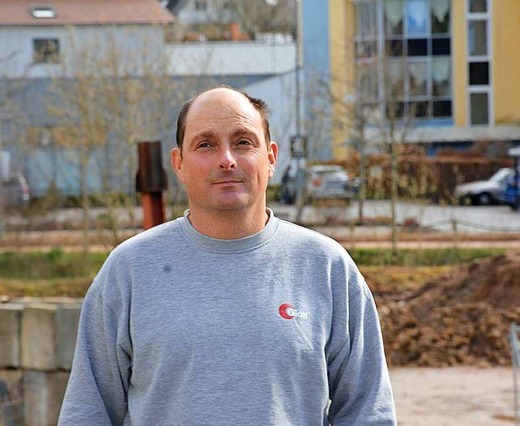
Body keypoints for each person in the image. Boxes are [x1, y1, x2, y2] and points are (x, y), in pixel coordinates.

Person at [58, 86, 396, 425]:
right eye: (205, 144)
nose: (227, 159)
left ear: (271, 157)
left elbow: (368, 413)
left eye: (243, 142)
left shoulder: (327, 268)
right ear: (179, 164)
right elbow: (88, 413)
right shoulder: (128, 271)